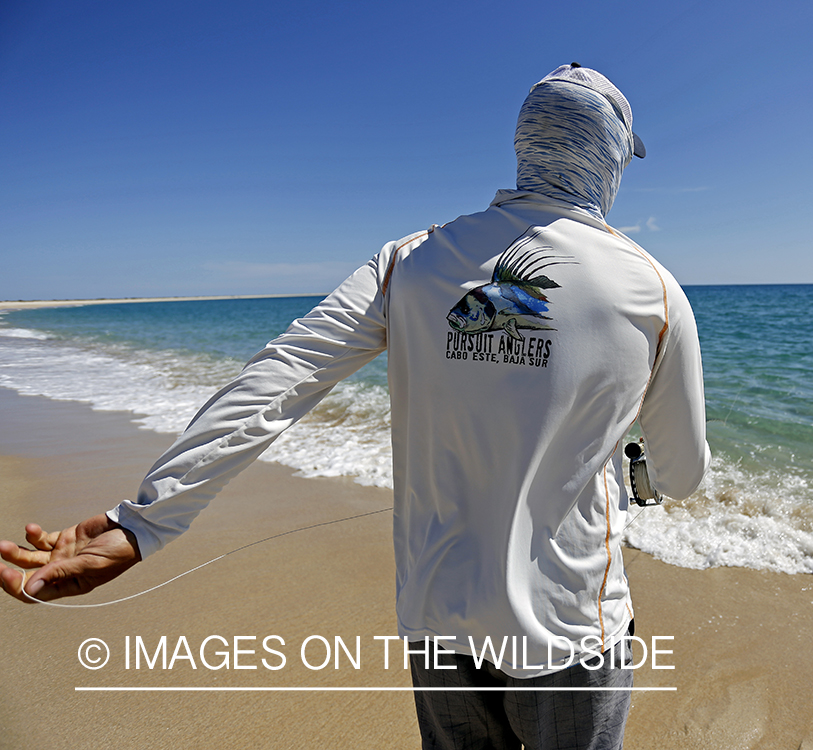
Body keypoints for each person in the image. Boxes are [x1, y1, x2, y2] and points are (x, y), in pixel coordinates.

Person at [0, 63, 710, 750]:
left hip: (436, 624)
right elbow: (680, 476)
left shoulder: (414, 258)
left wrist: (145, 521)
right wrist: (626, 466)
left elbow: (282, 377)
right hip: (571, 631)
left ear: (526, 146)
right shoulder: (652, 291)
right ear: (611, 156)